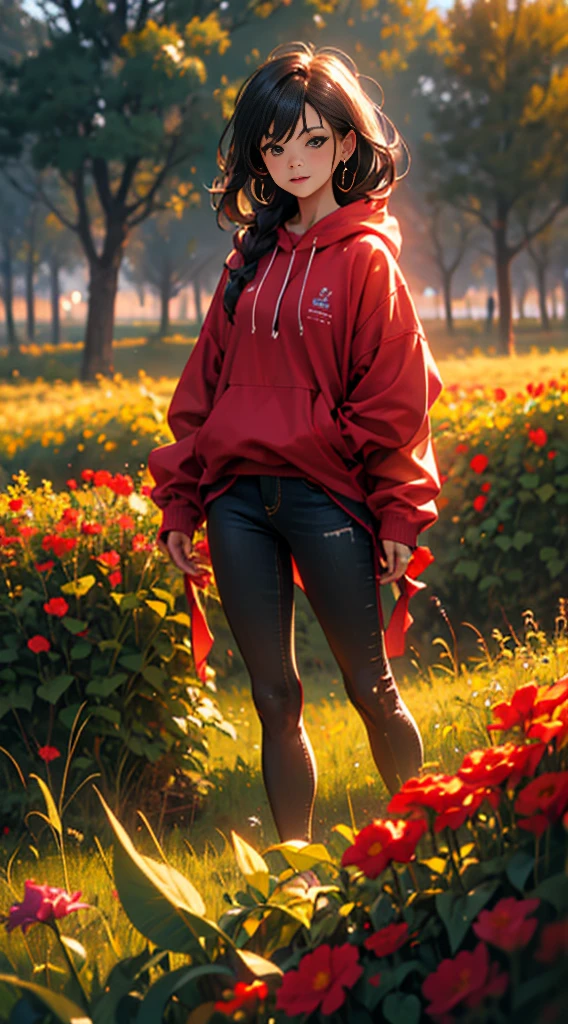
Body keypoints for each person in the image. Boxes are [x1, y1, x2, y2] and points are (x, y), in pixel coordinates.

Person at [147, 41, 444, 846]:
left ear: (348, 143)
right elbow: (201, 392)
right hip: (237, 502)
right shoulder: (248, 259)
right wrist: (180, 499)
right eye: (276, 145)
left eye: (314, 139)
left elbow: (396, 400)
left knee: (368, 684)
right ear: (258, 153)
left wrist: (396, 516)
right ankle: (294, 877)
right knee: (274, 698)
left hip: (327, 500)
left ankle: (433, 849)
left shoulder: (366, 261)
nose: (294, 159)